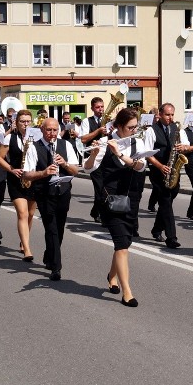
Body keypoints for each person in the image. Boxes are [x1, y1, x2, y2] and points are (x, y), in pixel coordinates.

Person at [84, 107, 148, 307]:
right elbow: (87, 167)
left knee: (125, 243)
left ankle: (112, 276)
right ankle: (127, 292)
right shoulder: (105, 142)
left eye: (135, 126)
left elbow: (140, 166)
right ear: (118, 127)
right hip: (111, 201)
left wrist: (120, 154)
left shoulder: (137, 142)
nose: (133, 130)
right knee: (121, 245)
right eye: (130, 127)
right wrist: (94, 153)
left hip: (131, 199)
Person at [22, 118, 79, 280]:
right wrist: (43, 173)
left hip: (63, 192)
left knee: (59, 229)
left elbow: (75, 170)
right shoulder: (34, 148)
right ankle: (56, 267)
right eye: (48, 130)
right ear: (41, 129)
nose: (52, 134)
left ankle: (49, 255)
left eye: (55, 130)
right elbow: (27, 174)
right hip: (44, 193)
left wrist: (65, 164)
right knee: (51, 228)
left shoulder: (66, 145)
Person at [143, 102, 189, 249]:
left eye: (172, 115)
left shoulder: (178, 129)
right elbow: (148, 153)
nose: (170, 117)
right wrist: (160, 166)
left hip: (173, 170)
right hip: (158, 171)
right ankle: (171, 238)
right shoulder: (151, 131)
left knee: (169, 198)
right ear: (160, 115)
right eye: (167, 115)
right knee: (166, 201)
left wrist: (184, 147)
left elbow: (187, 145)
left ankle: (157, 229)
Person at [0, 109, 38, 262]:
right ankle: (27, 249)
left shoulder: (36, 137)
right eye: (22, 121)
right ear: (16, 123)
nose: (25, 124)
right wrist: (11, 170)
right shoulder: (10, 138)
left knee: (31, 214)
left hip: (33, 179)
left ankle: (23, 240)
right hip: (16, 179)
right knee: (22, 213)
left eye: (28, 121)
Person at [80, 97, 109, 222]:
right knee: (99, 187)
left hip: (106, 157)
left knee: (105, 188)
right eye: (98, 107)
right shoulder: (87, 121)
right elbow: (83, 139)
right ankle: (102, 215)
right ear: (92, 108)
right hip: (93, 158)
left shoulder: (108, 121)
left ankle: (95, 211)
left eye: (102, 107)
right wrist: (98, 131)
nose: (100, 109)